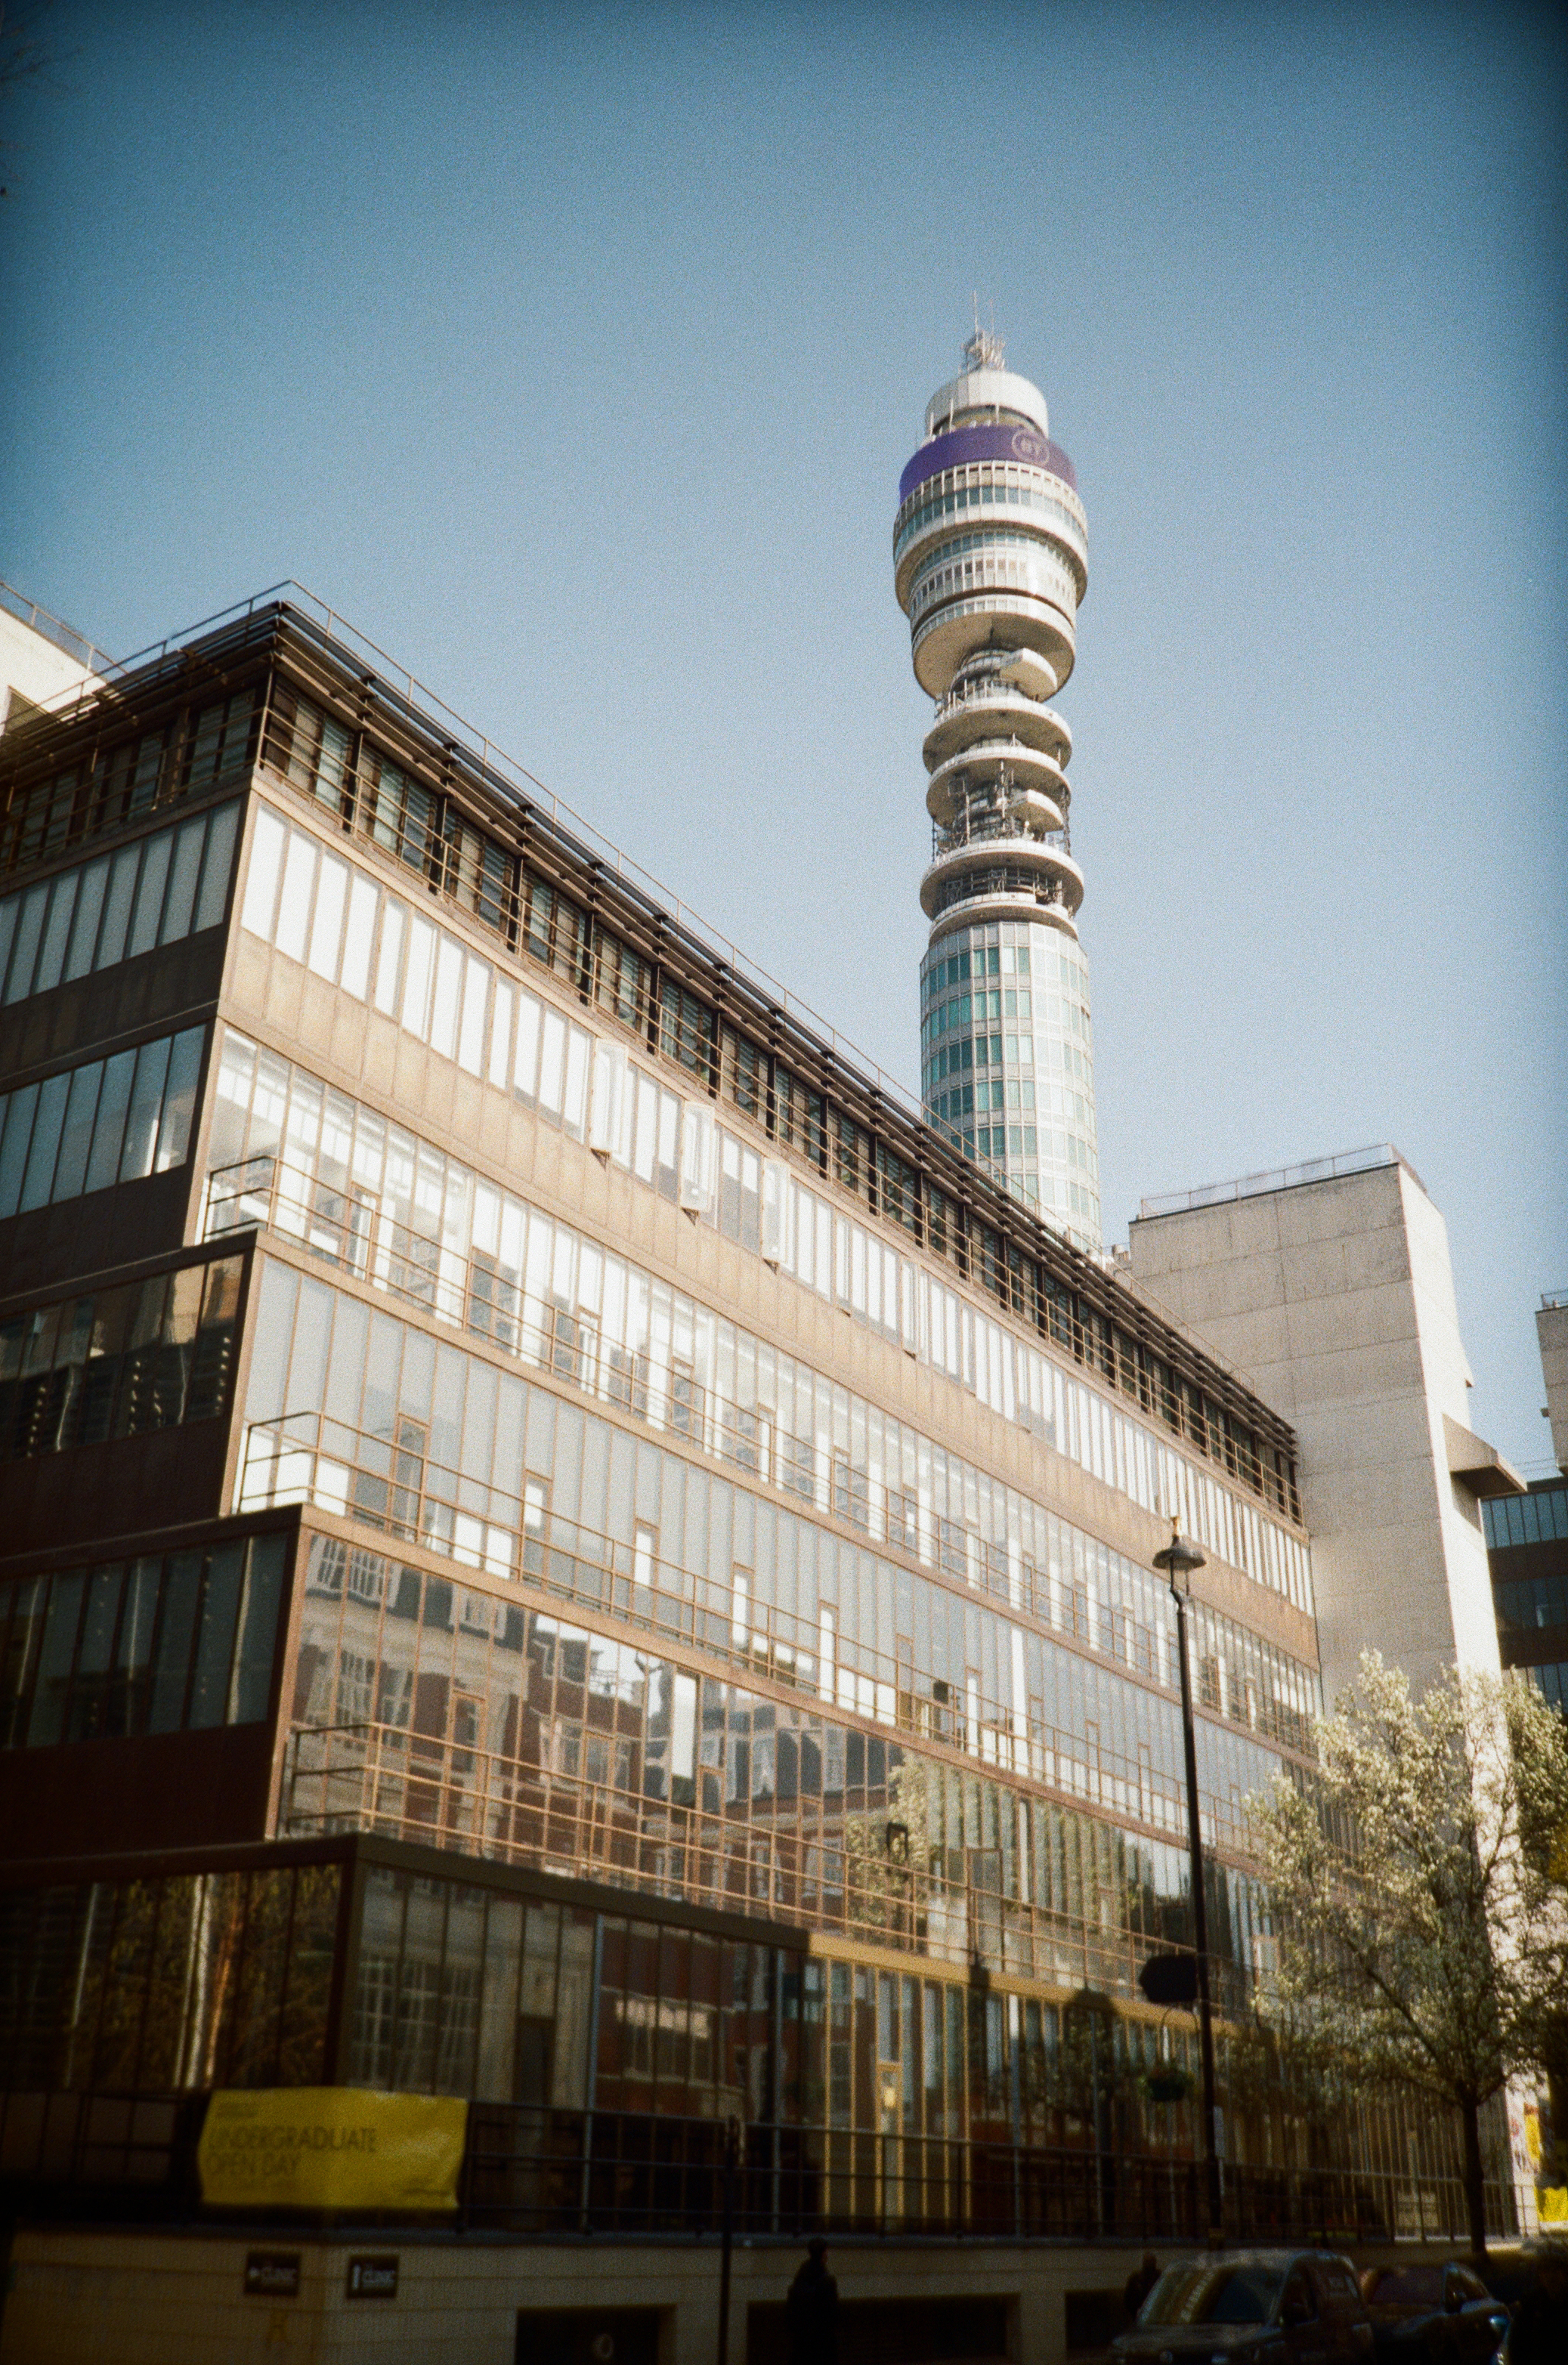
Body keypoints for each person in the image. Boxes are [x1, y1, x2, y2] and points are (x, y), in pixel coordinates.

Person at [1507, 2244, 1568, 2365]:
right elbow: (1518, 2345)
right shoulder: (1530, 2305)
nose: (1551, 2276)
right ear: (1540, 2274)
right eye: (1546, 2270)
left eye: (1556, 2269)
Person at [786, 2236, 840, 2365]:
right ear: (824, 2253)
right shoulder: (827, 2282)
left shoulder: (801, 2278)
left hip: (801, 2344)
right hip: (820, 2346)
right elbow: (832, 2316)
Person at [1124, 2253, 1161, 2319]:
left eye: (1151, 2262)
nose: (1149, 2264)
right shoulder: (1135, 2279)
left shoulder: (1159, 2277)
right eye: (1147, 2262)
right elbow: (1129, 2300)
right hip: (1140, 2313)